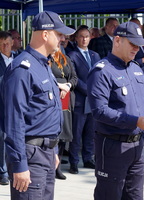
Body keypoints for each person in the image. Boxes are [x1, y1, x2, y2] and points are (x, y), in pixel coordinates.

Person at [0, 11, 75, 200]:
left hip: (46, 154)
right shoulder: (23, 69)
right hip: (31, 156)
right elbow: (13, 121)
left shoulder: (42, 64)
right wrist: (19, 164)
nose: (63, 38)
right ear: (45, 34)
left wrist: (53, 151)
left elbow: (47, 112)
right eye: (59, 34)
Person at [87, 21, 144, 200]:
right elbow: (99, 111)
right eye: (133, 44)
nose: (137, 49)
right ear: (118, 40)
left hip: (136, 146)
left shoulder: (136, 69)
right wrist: (134, 121)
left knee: (135, 196)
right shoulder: (102, 71)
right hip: (113, 146)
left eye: (139, 45)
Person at [67, 25, 100, 174]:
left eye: (86, 36)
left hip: (93, 100)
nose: (84, 39)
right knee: (77, 132)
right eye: (81, 36)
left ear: (90, 37)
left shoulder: (95, 55)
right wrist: (89, 90)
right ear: (76, 38)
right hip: (81, 99)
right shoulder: (72, 55)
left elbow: (100, 75)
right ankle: (74, 161)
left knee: (91, 131)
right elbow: (74, 77)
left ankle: (88, 158)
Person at [50, 49, 78, 179]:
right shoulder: (46, 58)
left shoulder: (65, 58)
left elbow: (74, 77)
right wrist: (59, 86)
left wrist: (67, 85)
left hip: (66, 101)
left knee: (63, 135)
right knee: (53, 135)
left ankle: (58, 166)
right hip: (53, 99)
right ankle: (51, 165)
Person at [0, 31, 14, 185]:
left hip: (18, 105)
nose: (5, 46)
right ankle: (3, 171)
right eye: (2, 43)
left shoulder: (19, 59)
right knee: (3, 138)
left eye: (7, 43)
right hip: (2, 104)